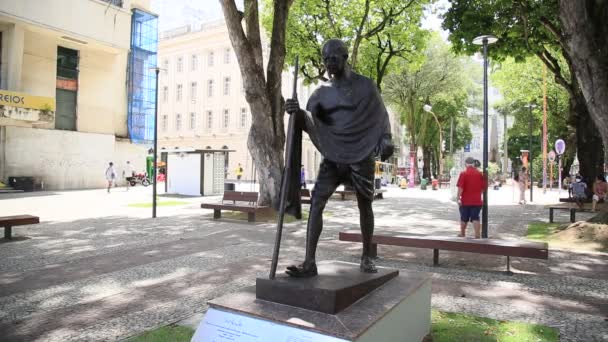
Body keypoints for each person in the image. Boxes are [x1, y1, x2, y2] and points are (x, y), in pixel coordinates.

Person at [284, 39, 393, 277]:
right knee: (316, 202)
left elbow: (381, 116)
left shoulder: (366, 86)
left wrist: (386, 137)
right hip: (334, 156)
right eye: (325, 59)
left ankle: (366, 257)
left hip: (361, 153)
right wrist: (297, 112)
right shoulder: (322, 95)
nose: (329, 63)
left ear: (345, 58)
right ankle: (309, 262)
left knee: (365, 204)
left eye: (333, 58)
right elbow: (313, 123)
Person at [456, 157, 486, 239]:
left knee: (464, 218)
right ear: (473, 164)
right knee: (475, 217)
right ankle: (477, 235)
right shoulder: (480, 174)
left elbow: (460, 188)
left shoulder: (463, 173)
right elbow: (483, 188)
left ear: (466, 164)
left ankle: (462, 233)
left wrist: (458, 198)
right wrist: (477, 194)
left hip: (465, 201)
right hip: (477, 201)